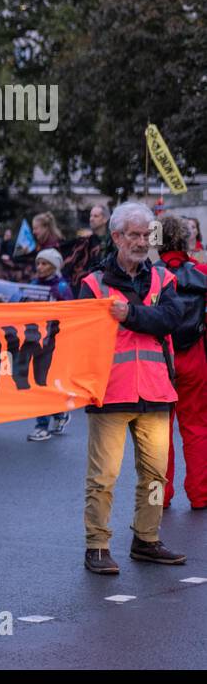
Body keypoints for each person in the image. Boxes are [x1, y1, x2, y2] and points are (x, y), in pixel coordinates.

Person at [76, 202, 188, 574]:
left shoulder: (162, 280)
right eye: (134, 235)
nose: (142, 242)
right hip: (110, 392)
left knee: (156, 476)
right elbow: (79, 339)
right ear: (117, 237)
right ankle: (97, 545)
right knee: (103, 478)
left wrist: (132, 316)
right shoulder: (93, 284)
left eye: (146, 235)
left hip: (155, 391)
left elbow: (173, 319)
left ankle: (147, 539)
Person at [155, 215, 207, 510]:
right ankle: (200, 495)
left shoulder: (151, 274)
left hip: (161, 358)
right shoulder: (201, 272)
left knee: (159, 431)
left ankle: (160, 495)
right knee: (198, 427)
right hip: (195, 356)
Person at [26, 248, 74, 442]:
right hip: (34, 339)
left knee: (42, 381)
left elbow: (71, 314)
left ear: (54, 266)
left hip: (54, 341)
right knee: (41, 380)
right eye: (38, 263)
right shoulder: (32, 285)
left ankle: (42, 426)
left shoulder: (62, 287)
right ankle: (60, 414)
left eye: (44, 263)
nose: (40, 267)